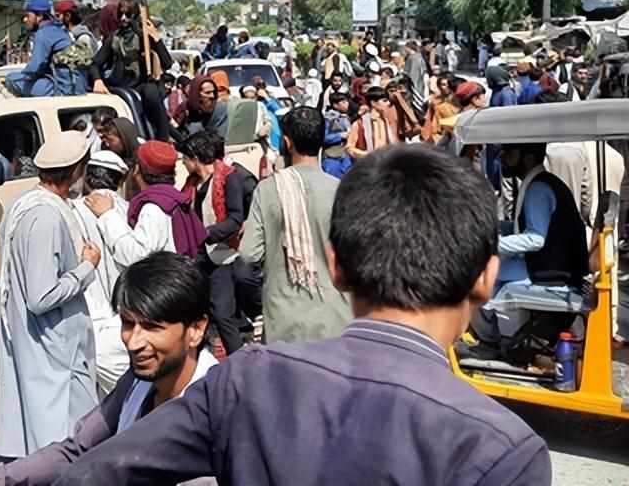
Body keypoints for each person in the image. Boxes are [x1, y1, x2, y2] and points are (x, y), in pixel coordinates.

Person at [52, 145, 551, 486]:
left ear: (336, 266)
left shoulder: (247, 379)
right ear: (487, 276)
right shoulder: (503, 449)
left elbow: (101, 470)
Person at [0, 252, 216, 486]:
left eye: (152, 327)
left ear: (195, 330)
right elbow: (77, 449)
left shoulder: (216, 410)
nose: (134, 342)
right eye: (128, 324)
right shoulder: (138, 382)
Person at [0, 130, 100, 458]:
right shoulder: (45, 217)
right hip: (54, 349)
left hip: (50, 346)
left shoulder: (27, 204)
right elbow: (41, 297)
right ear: (76, 170)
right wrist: (86, 268)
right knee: (64, 442)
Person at [464, 143, 589, 360]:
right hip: (551, 264)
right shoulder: (542, 183)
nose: (502, 158)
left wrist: (495, 244)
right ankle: (498, 338)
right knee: (491, 274)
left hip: (550, 271)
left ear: (528, 158)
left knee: (476, 280)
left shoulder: (538, 189)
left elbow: (535, 238)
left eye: (509, 153)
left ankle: (489, 342)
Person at [240, 107, 352, 344]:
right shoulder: (341, 191)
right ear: (322, 141)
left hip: (284, 321)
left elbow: (249, 253)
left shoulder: (269, 189)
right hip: (336, 319)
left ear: (287, 142)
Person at [181, 129, 260, 355]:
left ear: (195, 158)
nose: (184, 164)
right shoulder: (191, 184)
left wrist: (208, 233)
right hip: (202, 254)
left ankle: (237, 360)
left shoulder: (229, 178)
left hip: (224, 252)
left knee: (223, 311)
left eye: (186, 159)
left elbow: (235, 218)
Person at [69, 150, 132, 395]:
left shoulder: (70, 211)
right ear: (120, 181)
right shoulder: (130, 211)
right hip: (127, 317)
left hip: (92, 322)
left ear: (86, 178)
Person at [86, 141, 198, 265]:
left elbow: (136, 255)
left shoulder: (154, 208)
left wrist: (107, 216)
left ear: (137, 170)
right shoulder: (172, 198)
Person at [90, 0, 174, 140]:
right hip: (119, 86)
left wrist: (156, 37)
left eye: (128, 15)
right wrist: (98, 81)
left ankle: (162, 139)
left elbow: (167, 63)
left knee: (152, 92)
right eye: (120, 14)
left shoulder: (144, 38)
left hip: (139, 86)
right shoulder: (114, 38)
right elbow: (95, 64)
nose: (123, 19)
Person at [6, 0, 77, 97]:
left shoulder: (43, 34)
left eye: (28, 16)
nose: (25, 19)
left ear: (39, 16)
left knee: (11, 79)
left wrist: (21, 75)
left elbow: (34, 69)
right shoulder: (59, 29)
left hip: (60, 89)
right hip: (73, 86)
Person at [54, 0, 96, 93]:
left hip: (81, 86)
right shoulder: (68, 35)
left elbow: (79, 59)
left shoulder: (83, 37)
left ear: (67, 16)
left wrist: (54, 57)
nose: (56, 20)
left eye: (58, 16)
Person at [346, 86, 395, 160]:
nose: (388, 103)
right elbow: (349, 148)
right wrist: (366, 155)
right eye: (384, 101)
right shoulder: (360, 124)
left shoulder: (385, 121)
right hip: (368, 165)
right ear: (373, 103)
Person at [321, 92, 353, 178]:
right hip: (332, 157)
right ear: (335, 105)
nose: (347, 104)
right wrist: (340, 136)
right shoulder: (329, 119)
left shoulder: (345, 117)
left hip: (346, 156)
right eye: (343, 102)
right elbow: (323, 138)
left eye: (347, 101)